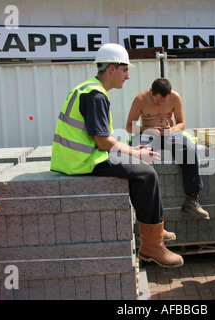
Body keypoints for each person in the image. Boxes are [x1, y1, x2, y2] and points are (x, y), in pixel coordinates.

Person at [50, 43, 183, 268]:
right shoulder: (95, 95)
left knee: (141, 167)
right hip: (83, 161)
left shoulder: (88, 88)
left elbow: (101, 139)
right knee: (146, 173)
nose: (128, 76)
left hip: (77, 158)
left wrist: (133, 152)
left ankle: (155, 229)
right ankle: (151, 245)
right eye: (125, 70)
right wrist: (135, 153)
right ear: (112, 68)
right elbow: (103, 142)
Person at [126, 78, 209, 220]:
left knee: (190, 149)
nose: (160, 104)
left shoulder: (175, 97)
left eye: (163, 101)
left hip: (170, 133)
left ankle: (192, 199)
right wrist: (150, 129)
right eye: (157, 101)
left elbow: (181, 123)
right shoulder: (140, 99)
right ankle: (135, 205)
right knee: (136, 154)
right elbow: (129, 127)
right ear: (151, 91)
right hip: (147, 133)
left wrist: (171, 129)